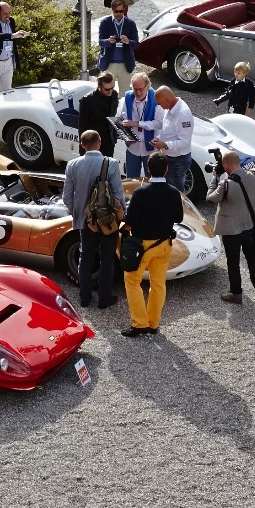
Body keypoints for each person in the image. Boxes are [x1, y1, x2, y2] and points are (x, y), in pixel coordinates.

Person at [119, 151, 181, 337]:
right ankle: (154, 323)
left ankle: (140, 323)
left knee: (132, 281)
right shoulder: (173, 192)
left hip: (143, 246)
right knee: (158, 284)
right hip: (164, 244)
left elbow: (130, 221)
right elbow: (178, 217)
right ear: (167, 169)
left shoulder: (140, 193)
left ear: (148, 169)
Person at [62, 129, 124, 311]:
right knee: (107, 258)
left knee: (85, 256)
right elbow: (118, 194)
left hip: (84, 219)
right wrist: (122, 214)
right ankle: (105, 297)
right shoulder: (110, 163)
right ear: (100, 141)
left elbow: (67, 196)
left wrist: (77, 213)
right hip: (107, 220)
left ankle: (84, 297)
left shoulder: (72, 165)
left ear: (82, 145)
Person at [207, 149, 255, 302]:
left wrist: (215, 177)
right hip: (249, 225)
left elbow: (211, 198)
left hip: (231, 229)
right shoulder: (254, 176)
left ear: (225, 166)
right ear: (238, 162)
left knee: (233, 262)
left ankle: (236, 294)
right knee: (251, 256)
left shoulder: (225, 185)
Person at [149, 85, 196, 195]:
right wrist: (158, 138)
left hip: (178, 160)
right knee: (167, 189)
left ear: (167, 100)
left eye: (160, 103)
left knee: (176, 192)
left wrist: (165, 144)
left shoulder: (183, 114)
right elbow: (167, 130)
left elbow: (185, 142)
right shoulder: (169, 107)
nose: (160, 106)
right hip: (169, 157)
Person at [116, 72, 157, 179]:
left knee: (151, 179)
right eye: (135, 89)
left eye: (141, 89)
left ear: (147, 86)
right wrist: (123, 130)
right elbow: (123, 116)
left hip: (150, 148)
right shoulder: (128, 97)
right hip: (132, 147)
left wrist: (138, 123)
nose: (138, 92)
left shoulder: (156, 98)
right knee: (131, 180)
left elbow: (158, 123)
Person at [95, 0, 138, 86]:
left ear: (124, 10)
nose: (118, 14)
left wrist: (128, 41)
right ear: (112, 10)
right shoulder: (105, 23)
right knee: (107, 94)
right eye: (116, 11)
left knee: (124, 94)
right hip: (109, 64)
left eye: (121, 11)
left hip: (125, 64)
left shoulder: (130, 24)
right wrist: (108, 41)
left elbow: (136, 43)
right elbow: (100, 42)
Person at [77, 72, 119, 155]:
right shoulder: (88, 100)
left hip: (109, 141)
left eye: (112, 88)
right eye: (107, 89)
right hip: (93, 142)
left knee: (107, 166)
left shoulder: (114, 95)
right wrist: (83, 146)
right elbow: (82, 125)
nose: (110, 91)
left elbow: (113, 114)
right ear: (99, 87)